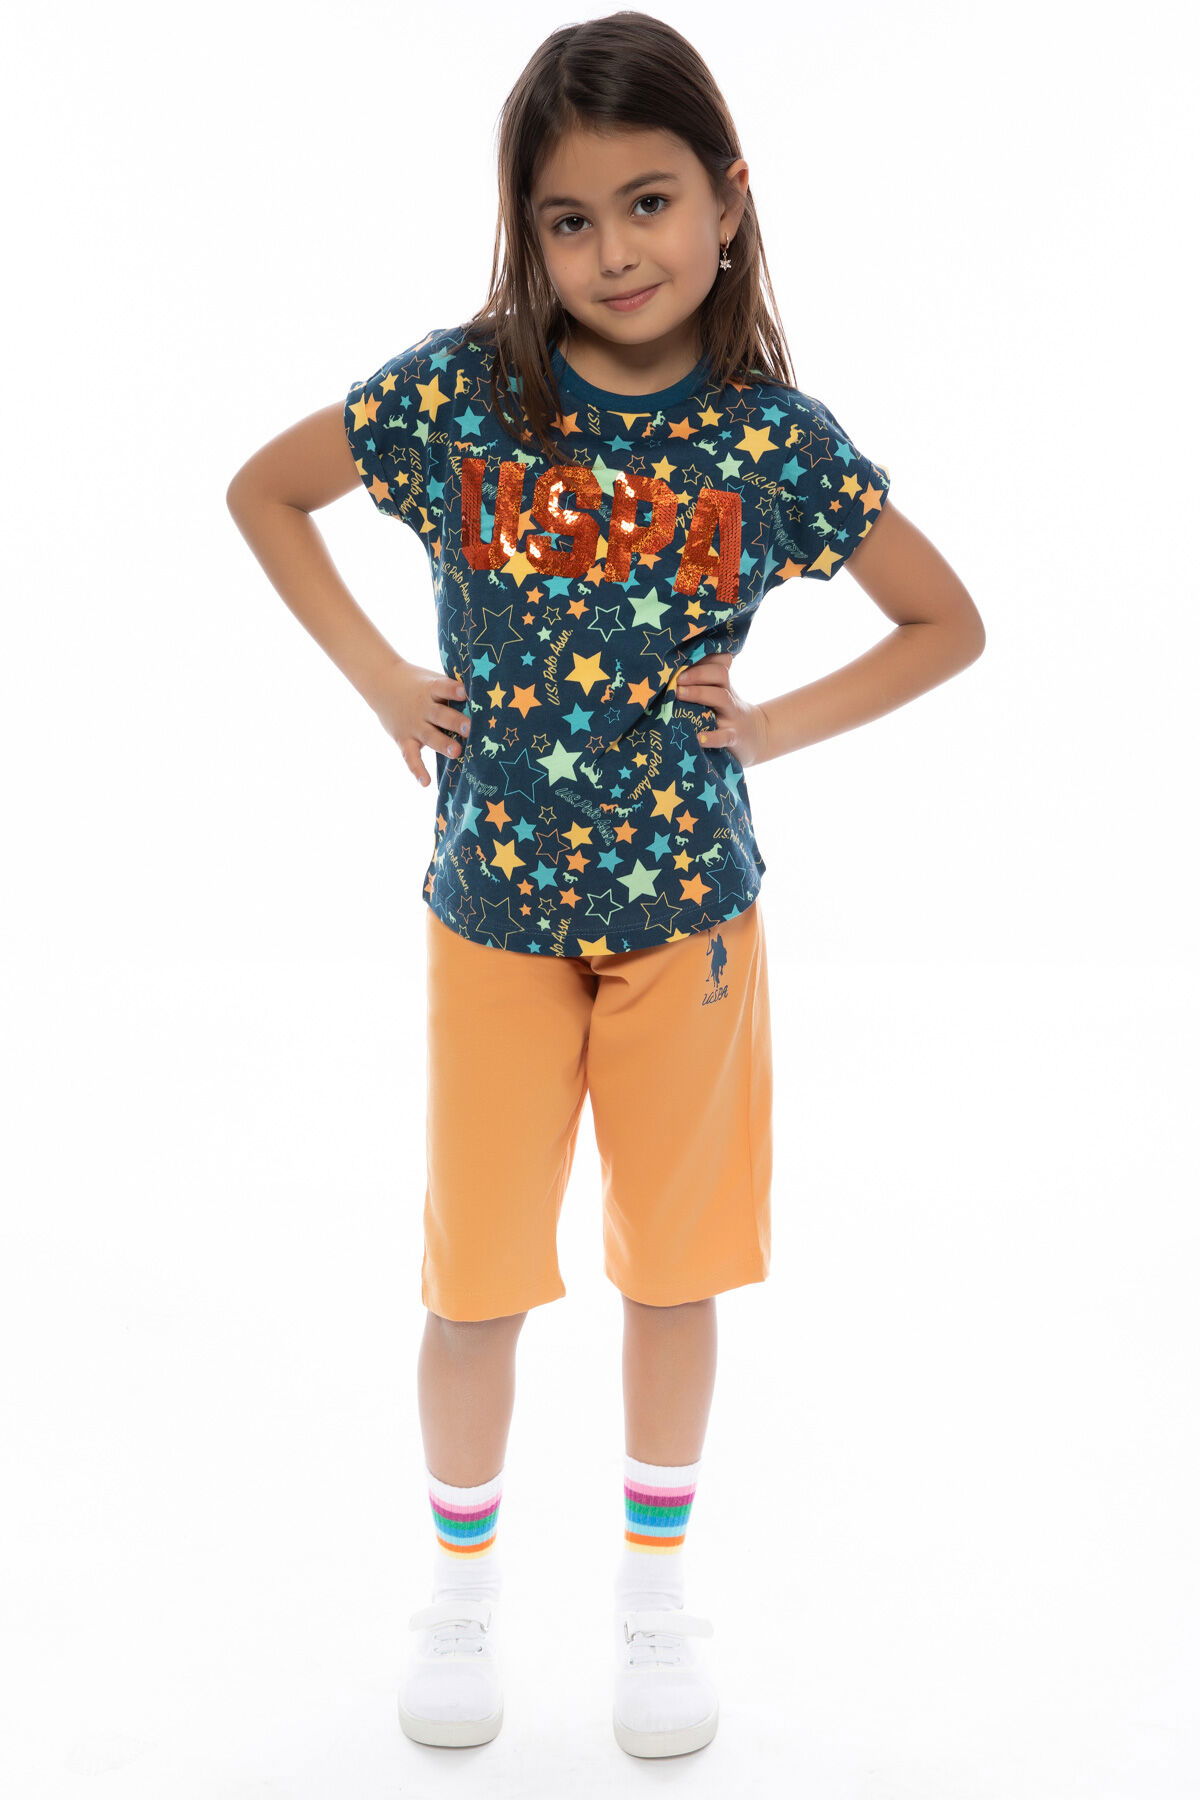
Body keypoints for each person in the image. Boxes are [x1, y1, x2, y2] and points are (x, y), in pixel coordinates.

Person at [226, 8, 985, 1763]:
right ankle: (458, 1599)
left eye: (649, 203)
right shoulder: (463, 394)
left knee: (672, 1274)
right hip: (490, 916)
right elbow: (267, 493)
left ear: (727, 198)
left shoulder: (772, 443)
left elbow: (945, 621)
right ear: (528, 232)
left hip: (688, 924)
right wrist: (378, 678)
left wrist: (773, 726)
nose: (614, 252)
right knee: (475, 1283)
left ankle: (655, 1604)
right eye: (569, 220)